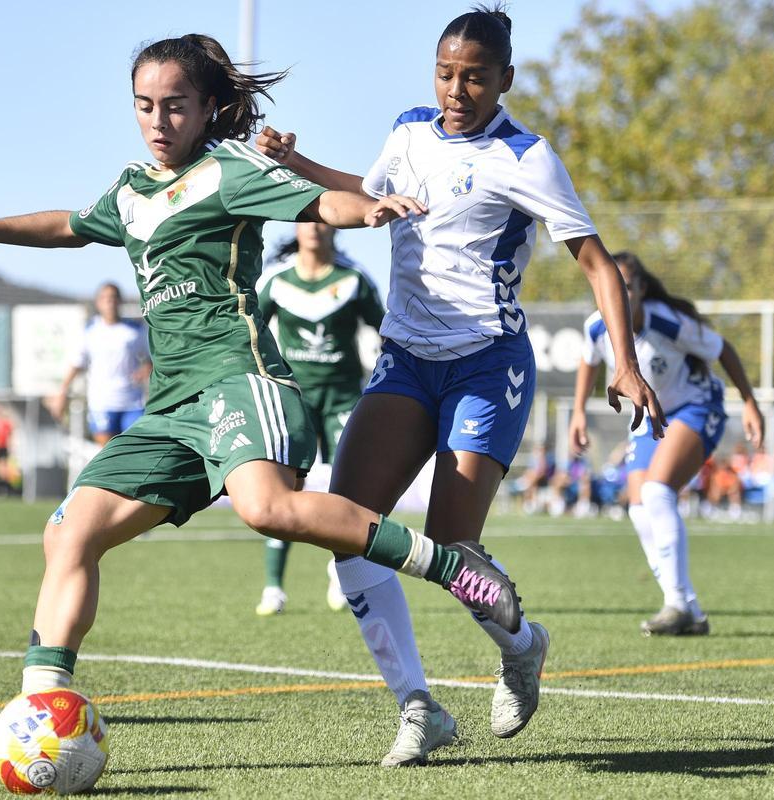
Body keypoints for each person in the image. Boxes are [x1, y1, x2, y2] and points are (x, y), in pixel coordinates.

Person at [0, 33, 522, 778]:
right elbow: (72, 226)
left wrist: (364, 212)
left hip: (244, 381)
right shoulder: (132, 190)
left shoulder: (230, 169)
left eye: (175, 105)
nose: (158, 120)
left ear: (209, 107)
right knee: (71, 532)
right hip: (171, 406)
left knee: (266, 509)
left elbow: (318, 201)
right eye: (144, 105)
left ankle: (456, 569)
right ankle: (39, 712)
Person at [254, 4, 664, 764]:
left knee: (451, 544)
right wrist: (297, 165)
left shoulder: (526, 156)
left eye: (474, 77)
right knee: (350, 530)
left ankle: (521, 646)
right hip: (405, 360)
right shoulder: (409, 129)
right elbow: (365, 193)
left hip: (487, 366)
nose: (456, 89)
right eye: (446, 73)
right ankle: (418, 706)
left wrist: (627, 363)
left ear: (504, 80)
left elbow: (599, 264)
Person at [570, 251, 763, 635]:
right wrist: (578, 410)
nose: (620, 295)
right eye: (613, 287)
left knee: (657, 493)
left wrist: (749, 401)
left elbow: (721, 348)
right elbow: (589, 360)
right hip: (652, 417)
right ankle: (685, 606)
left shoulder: (668, 323)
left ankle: (676, 605)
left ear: (641, 289)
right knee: (639, 509)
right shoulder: (596, 326)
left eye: (627, 286)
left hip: (696, 407)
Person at [252, 222, 385, 616]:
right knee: (284, 489)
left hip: (344, 398)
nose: (312, 227)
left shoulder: (354, 278)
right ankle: (274, 588)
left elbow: (387, 327)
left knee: (348, 490)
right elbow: (249, 328)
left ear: (335, 229)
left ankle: (340, 571)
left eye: (321, 220)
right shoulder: (277, 280)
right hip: (293, 399)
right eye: (304, 219)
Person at [48, 281, 151, 446]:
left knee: (134, 449)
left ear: (119, 301)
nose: (109, 302)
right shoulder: (90, 331)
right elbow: (76, 364)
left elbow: (149, 360)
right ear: (98, 303)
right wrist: (62, 392)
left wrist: (146, 369)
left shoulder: (135, 331)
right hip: (103, 402)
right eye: (105, 298)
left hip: (132, 402)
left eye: (113, 297)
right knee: (107, 453)